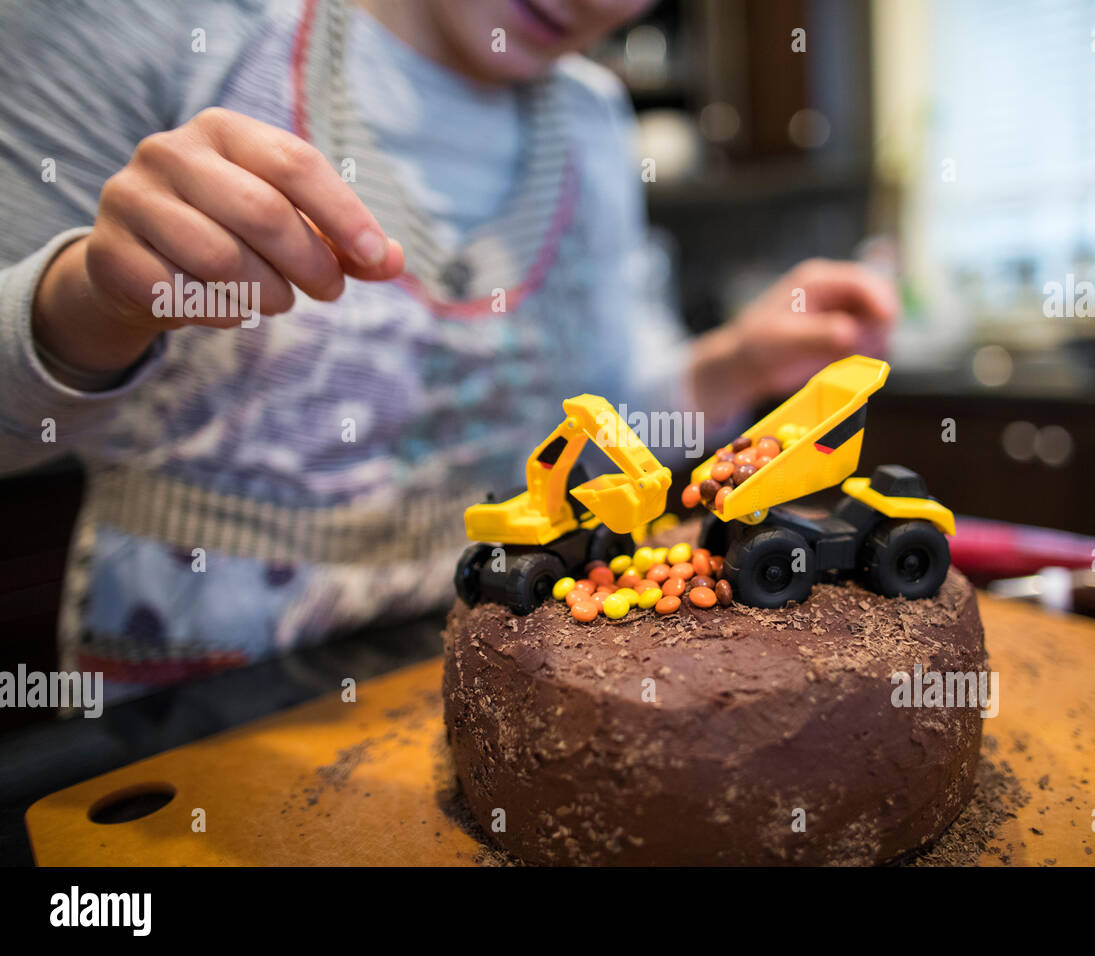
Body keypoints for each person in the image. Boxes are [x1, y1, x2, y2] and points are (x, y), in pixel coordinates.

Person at [0, 0, 896, 702]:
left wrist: (732, 365)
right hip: (198, 697)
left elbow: (607, 425)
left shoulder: (593, 118)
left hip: (492, 668)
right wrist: (95, 297)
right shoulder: (155, 24)